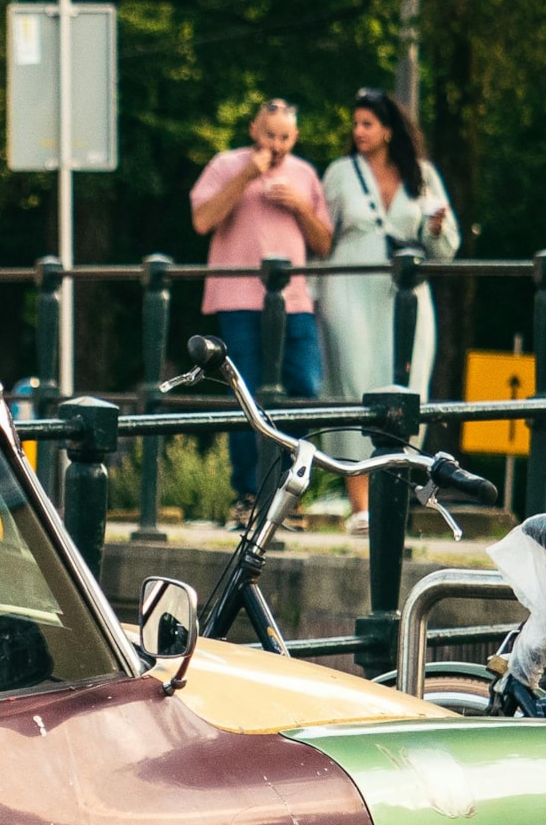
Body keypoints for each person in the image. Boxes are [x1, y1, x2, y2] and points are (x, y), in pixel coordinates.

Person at [315, 88, 459, 523]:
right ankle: (360, 503)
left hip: (405, 293)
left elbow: (447, 248)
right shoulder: (341, 172)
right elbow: (323, 235)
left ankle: (393, 499)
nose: (358, 132)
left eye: (367, 124)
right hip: (351, 289)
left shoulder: (423, 174)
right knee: (355, 382)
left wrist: (435, 229)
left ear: (388, 130)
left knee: (407, 386)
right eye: (355, 124)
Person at [189, 99, 333, 517]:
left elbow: (324, 243)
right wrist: (246, 175)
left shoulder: (305, 174)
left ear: (296, 137)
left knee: (303, 389)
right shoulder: (225, 164)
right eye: (270, 135)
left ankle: (290, 492)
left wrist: (299, 206)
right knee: (246, 394)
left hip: (294, 301)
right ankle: (248, 495)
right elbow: (202, 220)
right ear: (254, 130)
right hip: (238, 299)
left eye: (285, 137)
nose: (277, 144)